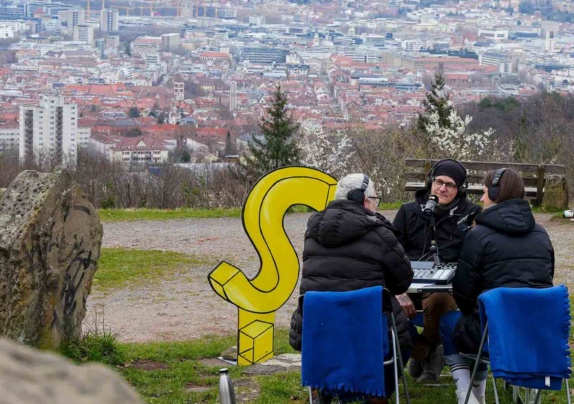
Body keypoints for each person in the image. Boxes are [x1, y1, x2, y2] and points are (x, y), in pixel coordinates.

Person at [289, 173, 414, 404]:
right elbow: (402, 281)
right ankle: (375, 394)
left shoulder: (313, 232)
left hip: (319, 330)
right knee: (406, 338)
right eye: (375, 198)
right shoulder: (380, 232)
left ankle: (328, 388)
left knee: (341, 337)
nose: (376, 204)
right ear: (363, 200)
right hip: (368, 332)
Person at [440, 168, 554, 404]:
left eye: (483, 192)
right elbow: (546, 281)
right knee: (480, 318)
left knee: (450, 322)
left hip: (492, 336)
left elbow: (463, 292)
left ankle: (467, 394)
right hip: (536, 336)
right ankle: (477, 395)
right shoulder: (542, 234)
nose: (481, 199)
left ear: (494, 193)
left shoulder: (477, 234)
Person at [392, 159, 481, 383]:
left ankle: (423, 351)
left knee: (440, 302)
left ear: (459, 188)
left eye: (449, 185)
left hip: (449, 288)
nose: (442, 188)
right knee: (385, 305)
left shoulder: (471, 214)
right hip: (409, 283)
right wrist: (399, 292)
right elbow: (390, 253)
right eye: (438, 182)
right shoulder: (408, 211)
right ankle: (430, 353)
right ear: (430, 182)